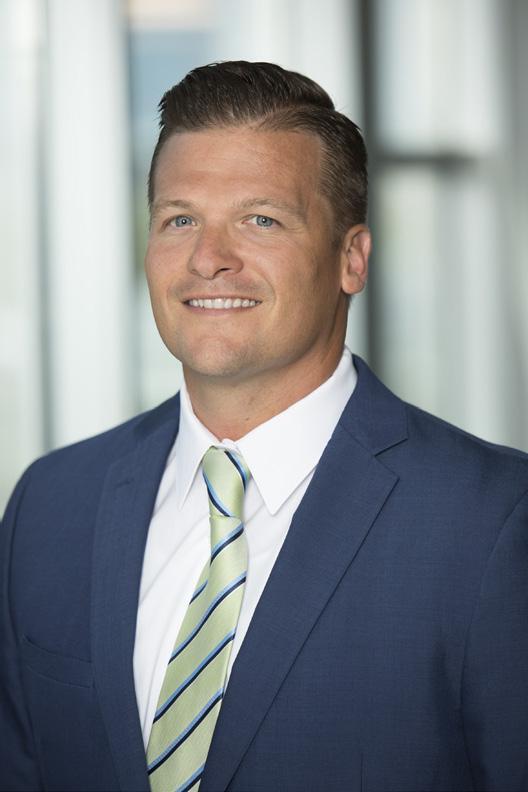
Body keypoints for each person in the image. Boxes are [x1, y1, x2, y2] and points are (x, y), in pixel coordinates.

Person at [1, 60, 527, 792]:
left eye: (261, 220)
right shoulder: (51, 503)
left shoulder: (495, 519)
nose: (209, 259)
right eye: (180, 219)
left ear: (351, 259)